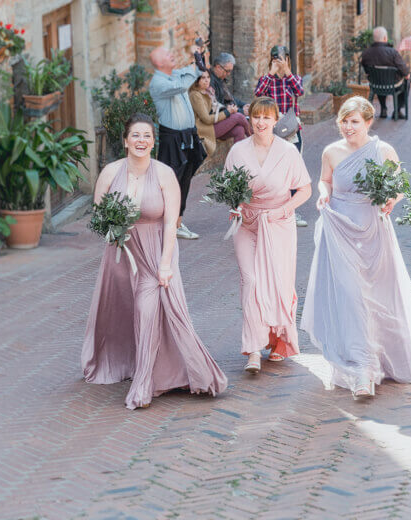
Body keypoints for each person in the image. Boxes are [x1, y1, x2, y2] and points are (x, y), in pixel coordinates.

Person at [82, 113, 227, 410]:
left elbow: (170, 223)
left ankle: (144, 383)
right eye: (135, 135)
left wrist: (165, 264)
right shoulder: (110, 172)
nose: (141, 141)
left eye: (147, 136)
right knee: (123, 312)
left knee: (146, 310)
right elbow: (99, 215)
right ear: (125, 141)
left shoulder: (164, 174)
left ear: (153, 142)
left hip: (155, 252)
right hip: (121, 254)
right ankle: (130, 364)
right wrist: (113, 232)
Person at [301, 96, 411, 398]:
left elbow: (400, 186)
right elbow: (325, 180)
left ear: (367, 123)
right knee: (351, 295)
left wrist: (393, 199)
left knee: (376, 296)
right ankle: (362, 370)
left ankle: (381, 359)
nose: (347, 127)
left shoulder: (383, 150)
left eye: (354, 122)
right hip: (340, 228)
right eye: (344, 121)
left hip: (373, 229)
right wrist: (323, 194)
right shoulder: (331, 152)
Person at [224, 97, 311, 374]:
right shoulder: (237, 151)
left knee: (278, 284)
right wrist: (234, 205)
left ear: (276, 120)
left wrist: (284, 210)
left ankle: (278, 341)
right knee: (250, 281)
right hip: (248, 224)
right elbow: (229, 190)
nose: (261, 122)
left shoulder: (288, 152)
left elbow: (305, 190)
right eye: (256, 117)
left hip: (278, 224)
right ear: (251, 119)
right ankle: (252, 349)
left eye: (266, 117)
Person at [149, 45, 207, 240]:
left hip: (188, 135)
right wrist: (193, 62)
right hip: (171, 138)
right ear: (158, 62)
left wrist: (199, 55)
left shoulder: (176, 73)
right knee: (170, 182)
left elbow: (198, 70)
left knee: (185, 179)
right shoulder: (158, 82)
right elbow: (183, 86)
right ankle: (165, 223)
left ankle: (178, 223)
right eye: (167, 53)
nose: (172, 53)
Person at [254, 44, 308, 227]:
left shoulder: (294, 79)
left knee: (293, 171)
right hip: (272, 132)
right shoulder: (267, 80)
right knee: (273, 171)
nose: (279, 62)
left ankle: (291, 210)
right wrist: (271, 73)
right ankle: (274, 208)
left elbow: (300, 91)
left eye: (282, 58)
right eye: (276, 59)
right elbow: (258, 94)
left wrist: (286, 71)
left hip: (292, 131)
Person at [189, 71, 251, 157]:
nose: (207, 80)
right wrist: (227, 112)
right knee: (238, 117)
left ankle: (237, 162)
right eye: (203, 78)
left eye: (208, 77)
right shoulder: (195, 95)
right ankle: (254, 140)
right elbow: (206, 119)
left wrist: (213, 98)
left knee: (239, 130)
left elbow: (216, 110)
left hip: (214, 125)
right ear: (196, 80)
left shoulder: (206, 91)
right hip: (205, 129)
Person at [360, 26, 410, 119]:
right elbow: (404, 70)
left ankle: (383, 108)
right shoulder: (392, 52)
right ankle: (397, 110)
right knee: (406, 82)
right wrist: (406, 74)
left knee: (379, 80)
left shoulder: (366, 53)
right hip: (393, 84)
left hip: (375, 84)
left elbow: (365, 67)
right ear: (385, 38)